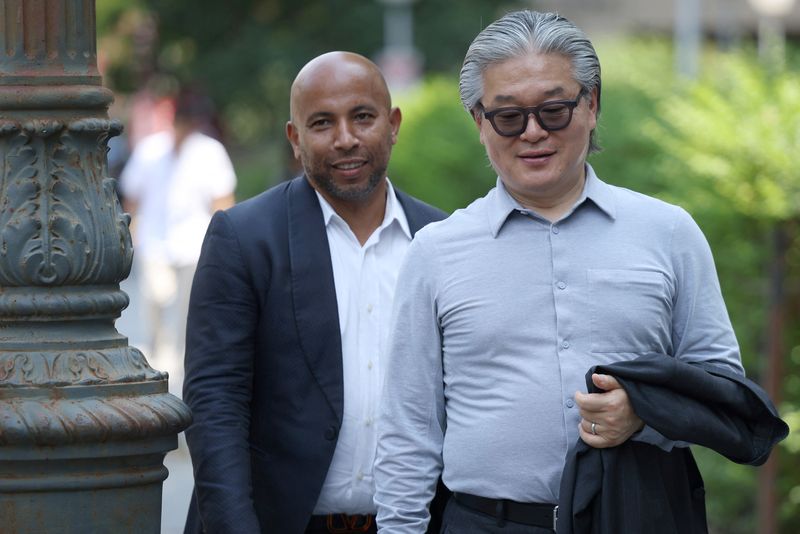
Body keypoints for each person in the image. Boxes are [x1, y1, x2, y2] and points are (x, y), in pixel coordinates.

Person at [373, 11, 750, 533]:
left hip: (639, 516)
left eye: (554, 110)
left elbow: (722, 384)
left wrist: (646, 412)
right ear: (479, 123)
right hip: (485, 522)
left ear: (591, 105)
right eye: (508, 116)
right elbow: (407, 432)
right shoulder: (435, 253)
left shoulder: (668, 232)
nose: (533, 133)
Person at [182, 51, 447, 534]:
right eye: (322, 123)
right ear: (295, 139)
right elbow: (214, 401)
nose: (346, 139)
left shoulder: (441, 240)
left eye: (362, 117)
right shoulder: (244, 238)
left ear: (393, 124)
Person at [119, 88, 236, 389]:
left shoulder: (209, 152)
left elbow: (223, 201)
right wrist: (132, 232)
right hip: (156, 243)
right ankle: (160, 356)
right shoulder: (151, 150)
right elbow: (132, 195)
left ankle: (178, 364)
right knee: (156, 300)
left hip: (194, 246)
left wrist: (222, 245)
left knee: (187, 312)